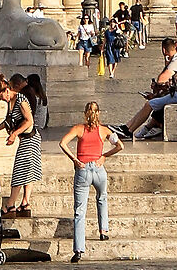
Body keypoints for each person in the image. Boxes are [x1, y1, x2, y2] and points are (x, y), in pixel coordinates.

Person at [63, 98, 123, 261]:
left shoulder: (78, 129)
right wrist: (104, 156)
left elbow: (63, 143)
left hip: (82, 169)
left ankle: (79, 250)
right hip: (98, 168)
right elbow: (120, 146)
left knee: (79, 211)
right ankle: (103, 231)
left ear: (85, 114)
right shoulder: (104, 131)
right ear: (99, 113)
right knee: (102, 198)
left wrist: (74, 159)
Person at [119, 39, 177, 141]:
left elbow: (161, 79)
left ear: (164, 50)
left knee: (149, 105)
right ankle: (127, 127)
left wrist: (166, 64)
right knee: (151, 102)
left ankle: (129, 131)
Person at [0, 75, 41, 210]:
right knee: (27, 170)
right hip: (26, 138)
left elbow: (29, 120)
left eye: (0, 96)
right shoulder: (10, 103)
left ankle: (10, 204)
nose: (0, 99)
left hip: (30, 138)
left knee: (20, 170)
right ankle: (25, 202)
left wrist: (14, 134)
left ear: (6, 91)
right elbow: (7, 122)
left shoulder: (21, 99)